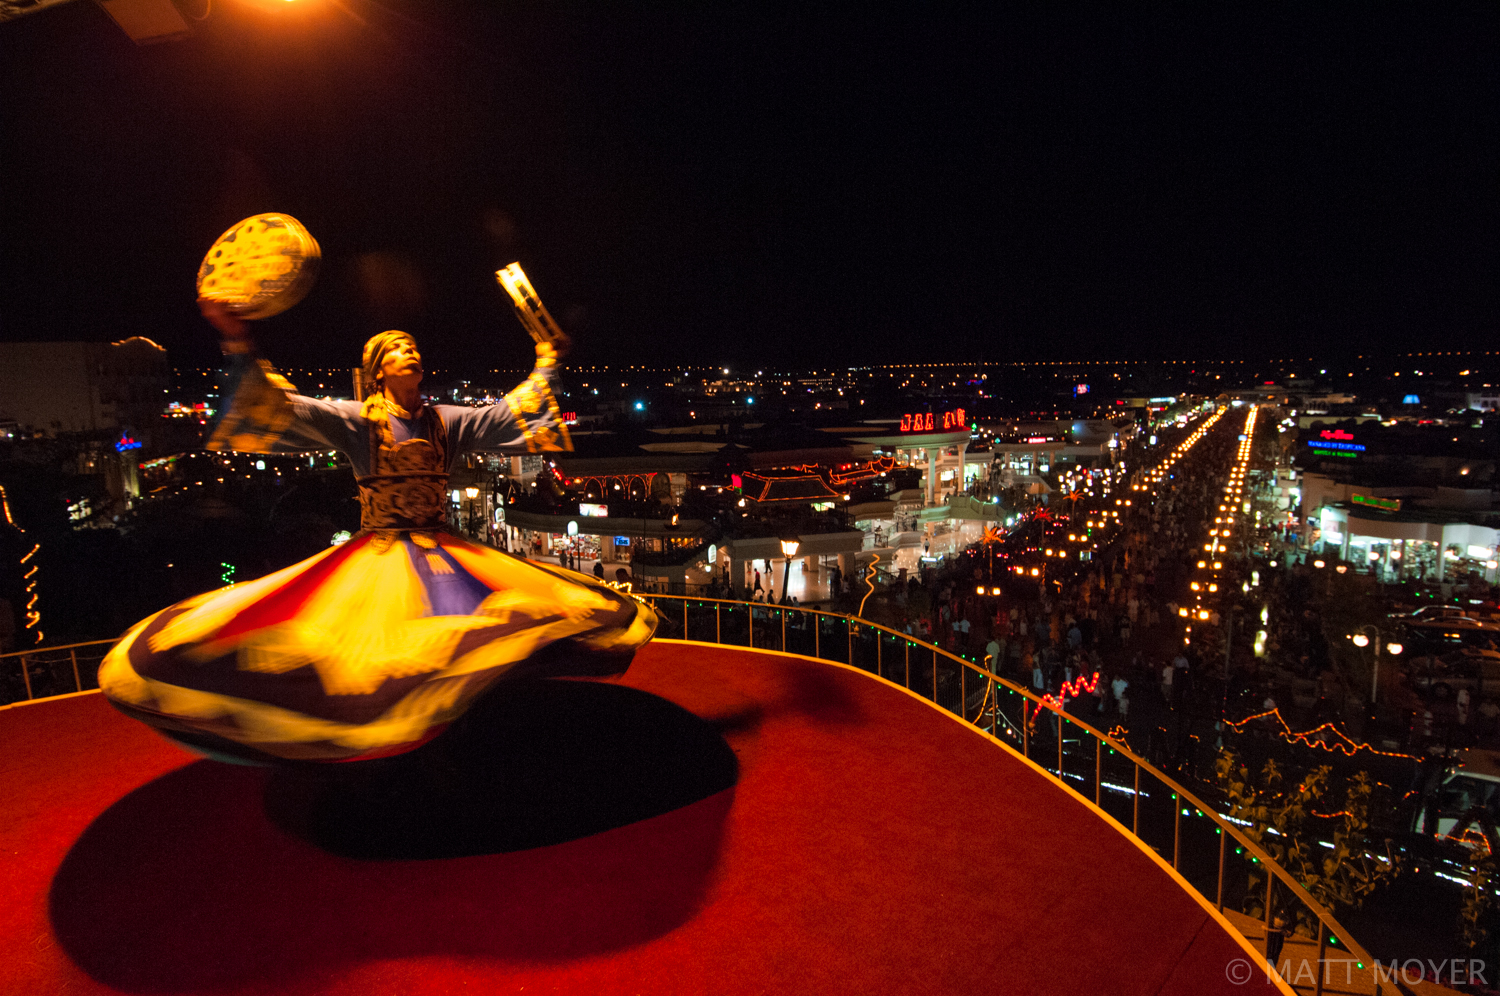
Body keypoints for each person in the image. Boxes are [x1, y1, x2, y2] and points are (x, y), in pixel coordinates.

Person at [98, 300, 657, 764]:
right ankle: (395, 750)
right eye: (395, 349)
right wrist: (238, 340)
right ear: (378, 369)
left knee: (473, 642)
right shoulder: (358, 420)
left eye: (413, 346)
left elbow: (516, 412)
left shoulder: (447, 421)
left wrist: (547, 362)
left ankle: (455, 743)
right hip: (383, 555)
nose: (409, 352)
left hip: (443, 550)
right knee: (379, 660)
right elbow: (278, 405)